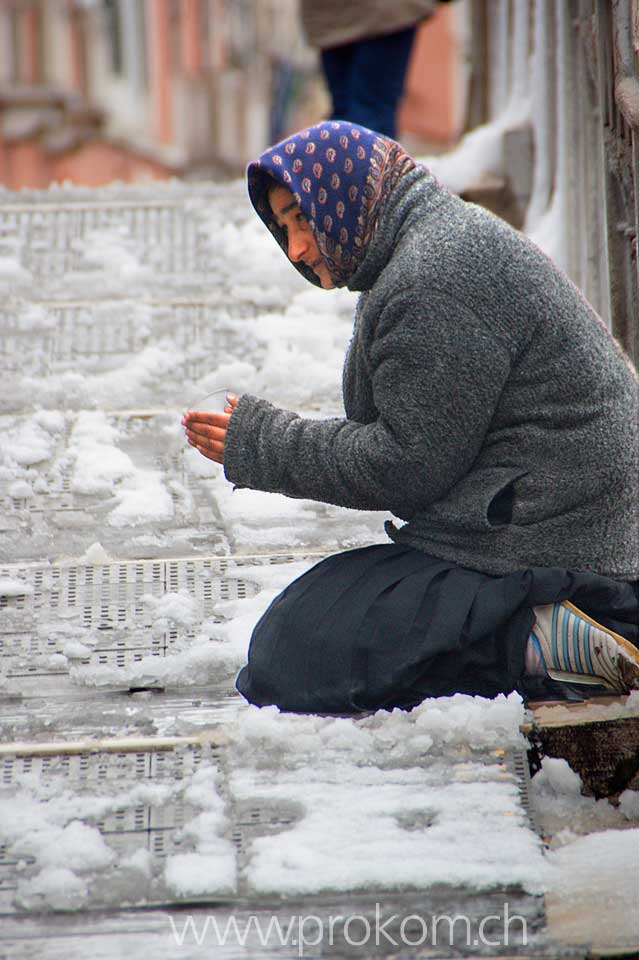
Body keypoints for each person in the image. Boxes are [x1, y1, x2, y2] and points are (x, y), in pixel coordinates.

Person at [182, 120, 639, 715]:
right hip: (550, 529)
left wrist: (267, 444)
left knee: (300, 648)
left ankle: (534, 641)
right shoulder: (417, 249)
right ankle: (539, 630)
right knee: (312, 616)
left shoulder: (434, 277)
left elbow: (406, 466)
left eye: (302, 219)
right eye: (284, 228)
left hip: (571, 554)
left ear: (341, 196)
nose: (295, 248)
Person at [299, 0, 436, 139]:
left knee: (345, 115)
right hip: (385, 13)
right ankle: (365, 157)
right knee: (370, 115)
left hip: (327, 15)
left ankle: (350, 156)